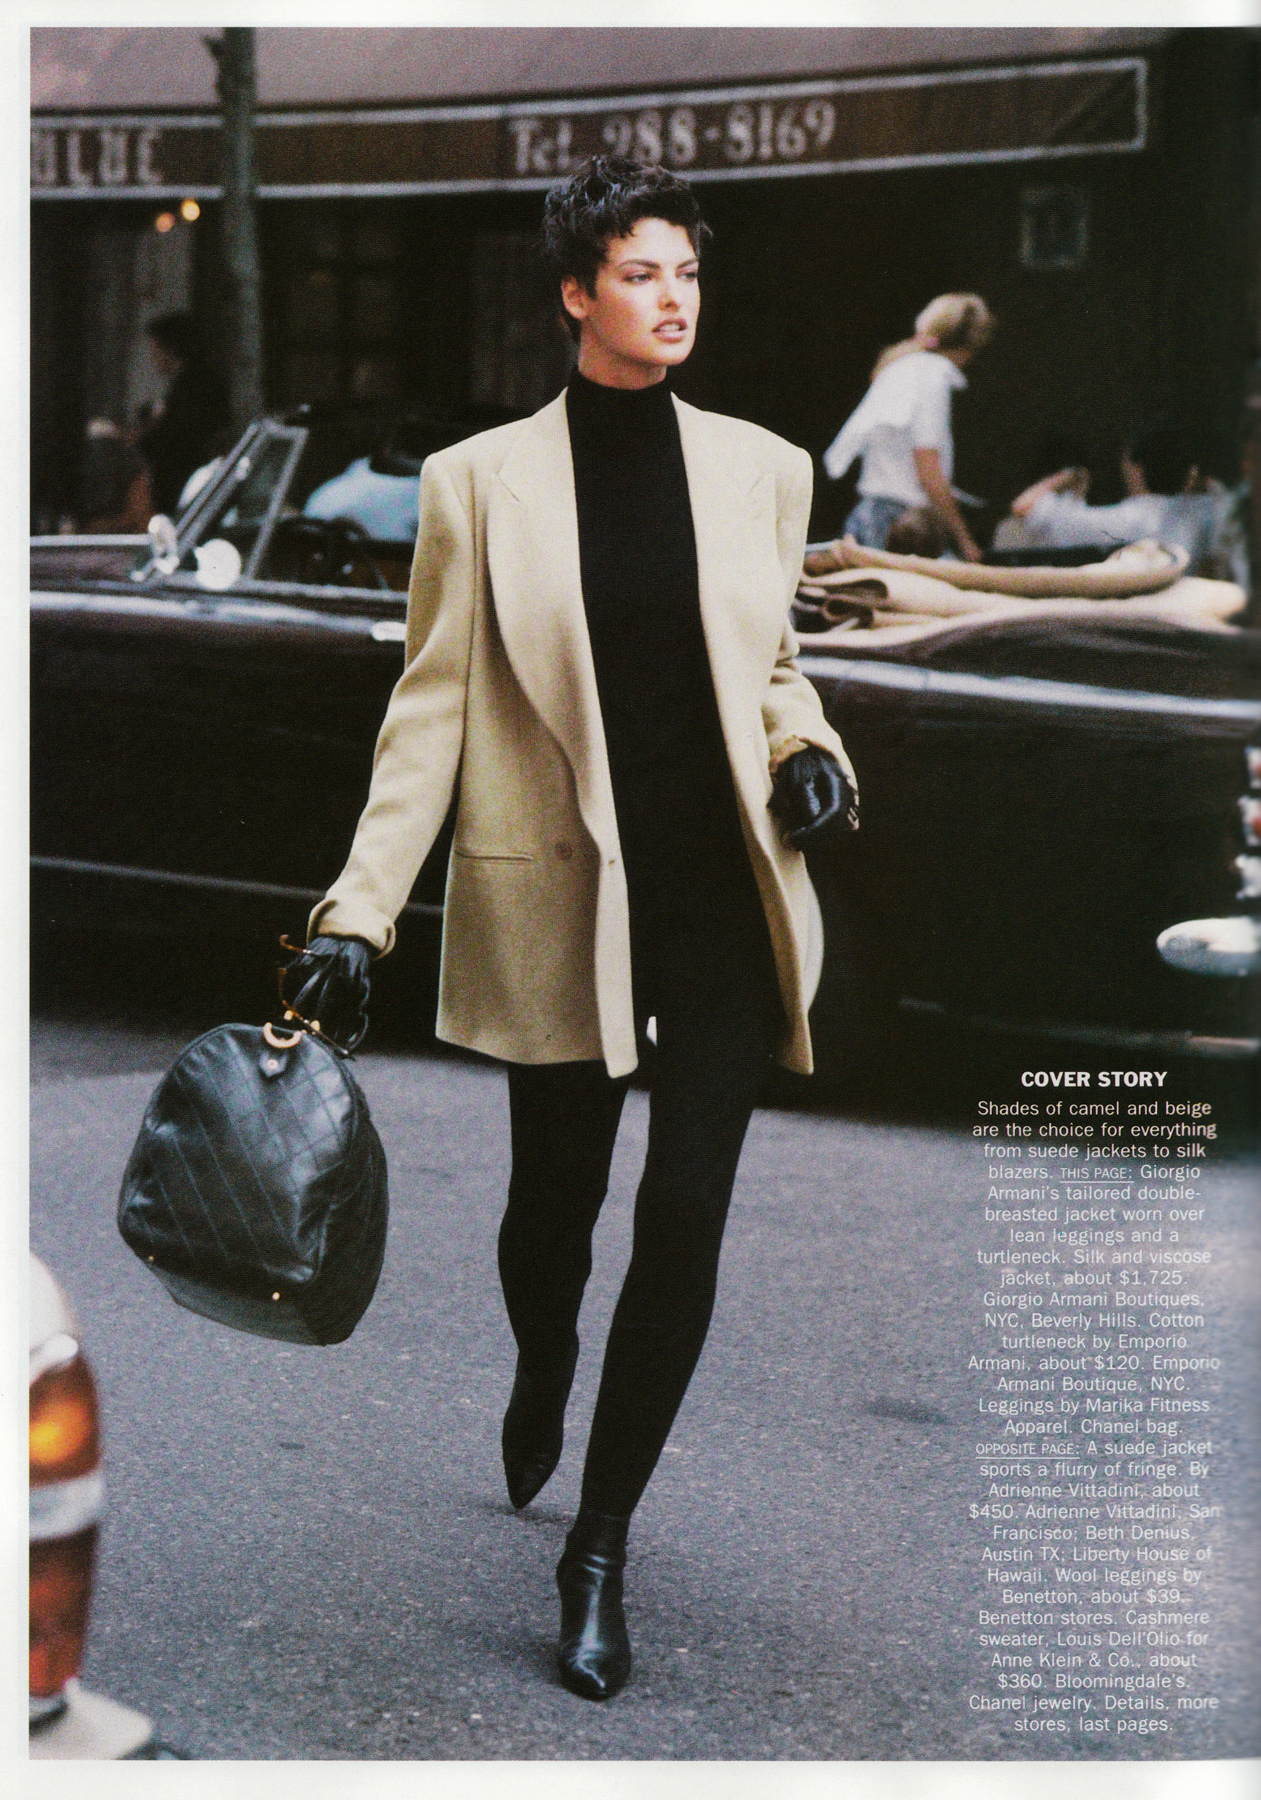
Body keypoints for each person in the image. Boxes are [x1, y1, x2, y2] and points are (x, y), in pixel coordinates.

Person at [280, 156, 858, 1703]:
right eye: (642, 273)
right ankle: (544, 1355)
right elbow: (430, 714)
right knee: (555, 1217)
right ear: (574, 294)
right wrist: (359, 917)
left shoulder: (764, 468)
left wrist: (808, 749)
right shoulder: (479, 482)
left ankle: (597, 1546)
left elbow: (771, 662)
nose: (673, 300)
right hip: (565, 893)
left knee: (683, 1218)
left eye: (688, 273)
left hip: (721, 898)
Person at [823, 293, 994, 562]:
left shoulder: (900, 367)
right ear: (970, 347)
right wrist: (965, 540)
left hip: (870, 515)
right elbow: (928, 470)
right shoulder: (932, 377)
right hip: (902, 524)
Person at [1006, 422, 1221, 572]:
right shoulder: (1206, 512)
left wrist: (1068, 475)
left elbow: (1024, 507)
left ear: (1135, 470)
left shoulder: (1120, 521)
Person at [136, 312, 229, 516]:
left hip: (186, 489)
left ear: (170, 350)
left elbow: (170, 441)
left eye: (156, 350)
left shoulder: (193, 389)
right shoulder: (190, 384)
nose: (153, 357)